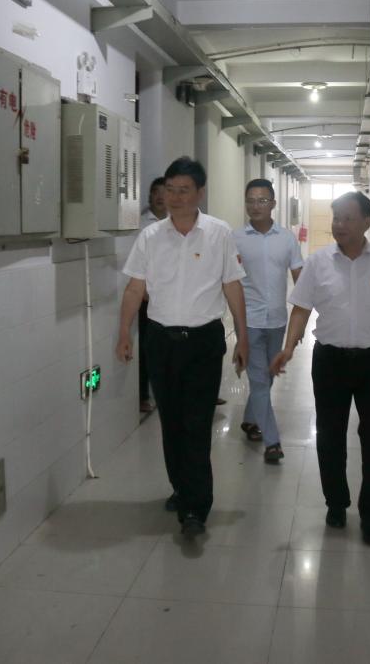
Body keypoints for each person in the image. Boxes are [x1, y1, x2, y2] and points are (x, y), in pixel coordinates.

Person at [116, 156, 249, 537]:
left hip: (203, 342)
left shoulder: (219, 233)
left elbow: (232, 286)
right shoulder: (150, 236)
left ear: (199, 193)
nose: (175, 197)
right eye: (170, 190)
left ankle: (196, 508)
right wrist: (124, 333)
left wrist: (243, 336)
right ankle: (181, 487)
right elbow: (135, 288)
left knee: (197, 424)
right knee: (171, 422)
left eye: (183, 190)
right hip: (161, 341)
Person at [269, 191, 370, 546]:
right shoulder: (318, 263)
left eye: (348, 218)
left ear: (367, 222)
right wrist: (288, 347)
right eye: (335, 218)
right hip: (329, 360)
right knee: (330, 435)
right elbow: (301, 308)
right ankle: (336, 503)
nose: (339, 225)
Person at [232, 179, 303, 463]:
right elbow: (229, 281)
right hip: (249, 321)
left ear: (273, 204)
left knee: (268, 375)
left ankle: (250, 419)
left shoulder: (287, 239)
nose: (255, 206)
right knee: (260, 380)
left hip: (277, 320)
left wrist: (300, 324)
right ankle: (272, 442)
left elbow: (300, 280)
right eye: (250, 201)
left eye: (262, 200)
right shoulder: (235, 239)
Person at [138, 177, 167, 414]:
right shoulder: (140, 225)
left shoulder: (176, 223)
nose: (159, 196)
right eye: (155, 192)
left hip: (171, 299)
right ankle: (142, 395)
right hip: (146, 299)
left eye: (163, 192)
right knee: (146, 349)